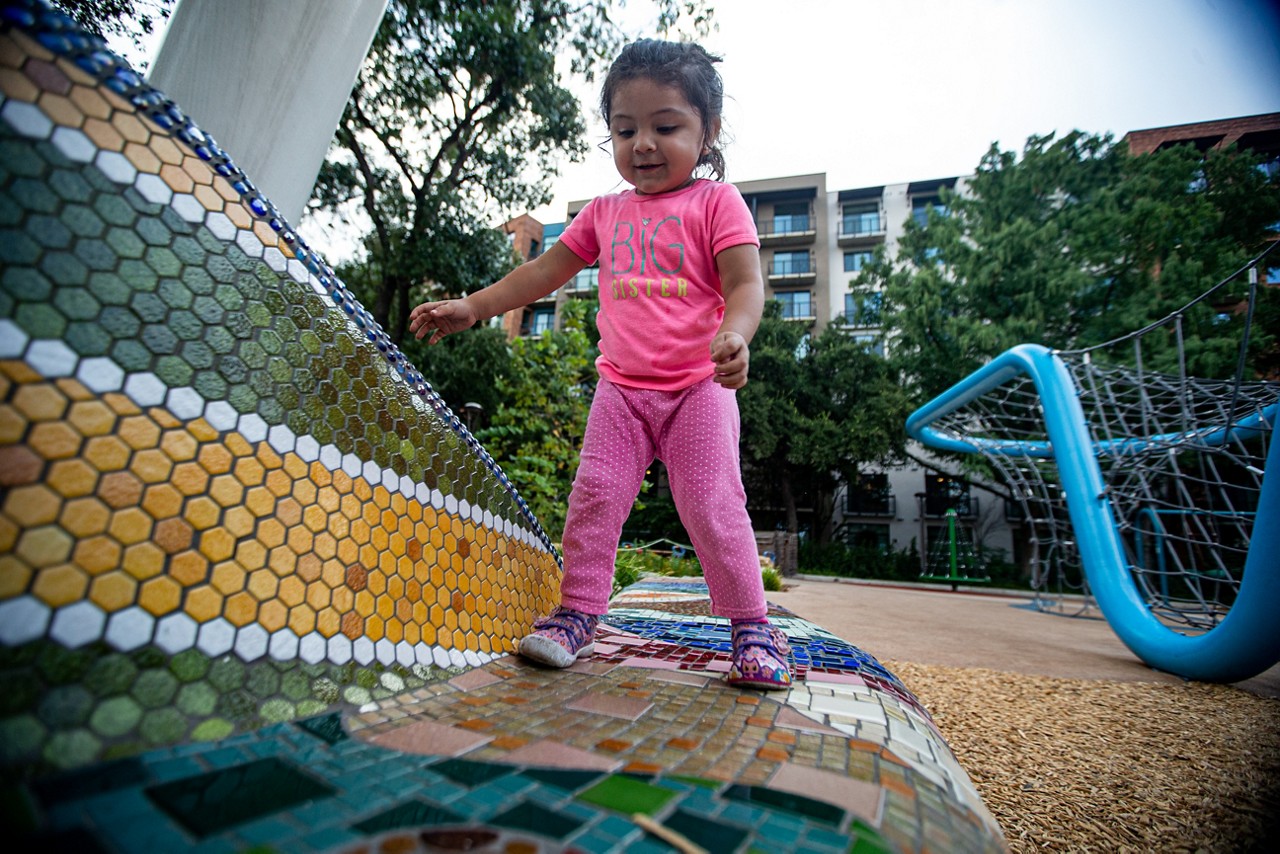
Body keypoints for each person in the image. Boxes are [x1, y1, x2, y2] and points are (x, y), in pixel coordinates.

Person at [408, 39, 791, 690]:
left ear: (709, 132)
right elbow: (543, 270)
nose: (643, 143)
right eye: (625, 129)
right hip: (621, 390)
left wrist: (735, 334)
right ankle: (578, 614)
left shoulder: (715, 203)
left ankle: (751, 625)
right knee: (595, 497)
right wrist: (473, 307)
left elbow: (747, 284)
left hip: (698, 385)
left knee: (709, 502)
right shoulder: (605, 214)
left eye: (666, 126)